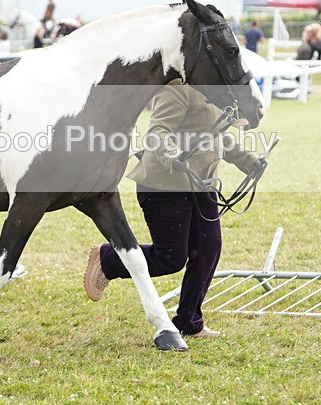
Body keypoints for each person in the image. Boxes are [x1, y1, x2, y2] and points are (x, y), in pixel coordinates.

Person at [84, 80, 264, 339]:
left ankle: (189, 322)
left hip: (202, 185)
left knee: (208, 249)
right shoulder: (177, 88)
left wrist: (249, 161)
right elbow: (157, 133)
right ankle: (108, 259)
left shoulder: (211, 90)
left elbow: (217, 135)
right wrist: (173, 156)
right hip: (163, 186)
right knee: (170, 258)